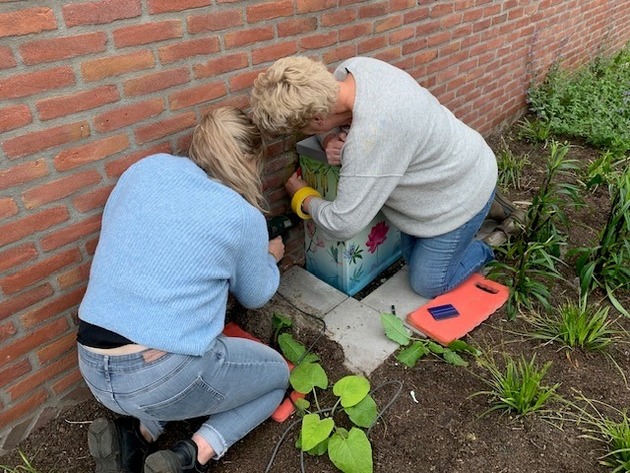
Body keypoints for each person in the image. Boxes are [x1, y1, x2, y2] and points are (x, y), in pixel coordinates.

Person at [77, 106, 290, 473]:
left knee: (171, 374)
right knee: (276, 378)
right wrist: (270, 257)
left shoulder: (146, 169)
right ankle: (191, 455)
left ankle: (135, 436)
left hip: (92, 361)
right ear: (249, 160)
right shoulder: (241, 215)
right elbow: (256, 295)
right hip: (158, 373)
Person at [250, 56, 523, 299]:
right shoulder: (355, 69)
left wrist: (303, 196)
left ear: (318, 117)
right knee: (410, 256)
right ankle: (491, 203)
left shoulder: (372, 135)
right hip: (455, 162)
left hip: (460, 190)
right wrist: (329, 138)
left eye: (305, 129)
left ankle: (495, 239)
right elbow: (343, 131)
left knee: (428, 283)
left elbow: (343, 222)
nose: (305, 133)